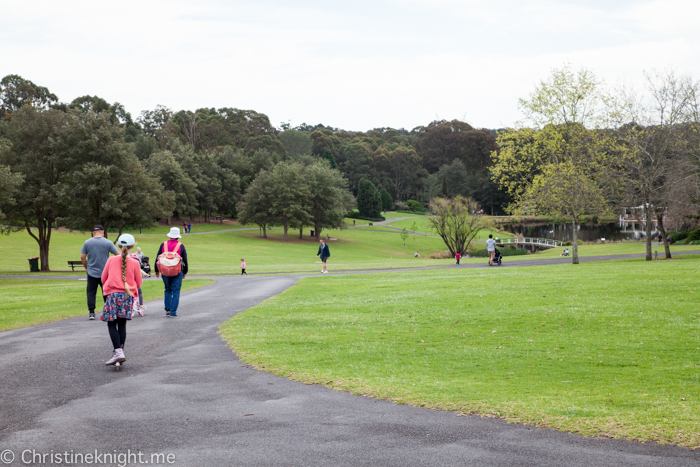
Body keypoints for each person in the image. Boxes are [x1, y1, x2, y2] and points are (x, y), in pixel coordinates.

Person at [101, 234, 142, 366]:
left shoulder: (111, 260)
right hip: (127, 296)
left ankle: (118, 352)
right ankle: (120, 352)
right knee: (122, 324)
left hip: (112, 295)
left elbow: (103, 279)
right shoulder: (135, 263)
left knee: (112, 323)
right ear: (133, 246)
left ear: (118, 245)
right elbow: (139, 283)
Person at [81, 225, 118, 320]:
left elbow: (82, 257)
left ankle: (92, 312)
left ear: (93, 233)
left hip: (91, 272)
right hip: (105, 273)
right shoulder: (108, 242)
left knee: (91, 292)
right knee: (106, 291)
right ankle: (108, 310)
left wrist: (86, 267)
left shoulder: (87, 242)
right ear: (103, 232)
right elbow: (117, 254)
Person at [155, 227, 188, 317]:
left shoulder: (163, 244)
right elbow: (184, 260)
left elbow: (157, 257)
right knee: (176, 291)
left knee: (167, 289)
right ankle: (173, 312)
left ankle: (167, 309)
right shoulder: (181, 246)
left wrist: (157, 270)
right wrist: (185, 272)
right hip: (177, 271)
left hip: (165, 271)